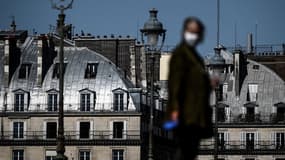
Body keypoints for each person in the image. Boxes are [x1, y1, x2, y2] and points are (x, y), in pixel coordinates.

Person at [166, 17, 218, 160]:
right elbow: (175, 84)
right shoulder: (181, 55)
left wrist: (208, 84)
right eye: (191, 31)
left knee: (189, 152)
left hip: (194, 114)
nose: (193, 35)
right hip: (185, 114)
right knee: (185, 151)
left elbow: (194, 83)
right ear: (184, 32)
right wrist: (176, 111)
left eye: (196, 32)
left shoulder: (194, 56)